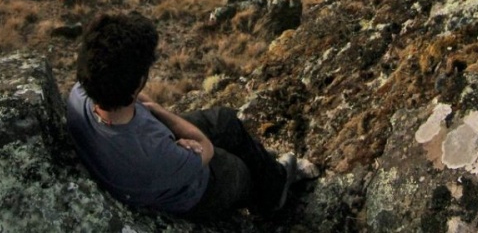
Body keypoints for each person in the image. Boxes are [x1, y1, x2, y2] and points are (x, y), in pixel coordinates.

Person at [67, 11, 318, 221]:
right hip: (196, 190)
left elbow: (135, 112)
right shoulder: (156, 154)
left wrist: (151, 108)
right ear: (136, 86)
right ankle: (272, 199)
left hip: (151, 155)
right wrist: (163, 117)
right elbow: (206, 149)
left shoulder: (79, 96)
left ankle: (270, 174)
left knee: (225, 120)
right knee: (238, 170)